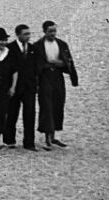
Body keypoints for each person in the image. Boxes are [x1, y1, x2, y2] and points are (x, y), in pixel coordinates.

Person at [30, 19, 79, 149]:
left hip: (58, 77)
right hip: (45, 77)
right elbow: (35, 65)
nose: (53, 34)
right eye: (50, 31)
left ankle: (54, 135)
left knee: (58, 104)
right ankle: (47, 137)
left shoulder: (62, 44)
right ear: (44, 31)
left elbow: (68, 61)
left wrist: (73, 77)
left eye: (54, 31)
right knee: (46, 106)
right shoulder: (38, 46)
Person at [4, 24, 39, 152]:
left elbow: (36, 68)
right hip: (14, 87)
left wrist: (36, 85)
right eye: (25, 34)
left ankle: (29, 142)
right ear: (18, 34)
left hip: (29, 87)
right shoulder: (10, 49)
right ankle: (9, 141)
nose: (28, 36)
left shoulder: (33, 48)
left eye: (29, 34)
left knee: (29, 114)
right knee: (12, 114)